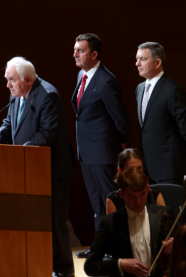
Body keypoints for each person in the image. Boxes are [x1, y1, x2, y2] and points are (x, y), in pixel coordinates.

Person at [0, 57, 75, 277]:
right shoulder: (16, 96)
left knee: (56, 224)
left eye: (11, 80)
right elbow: (9, 124)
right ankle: (41, 267)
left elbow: (47, 133)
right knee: (33, 222)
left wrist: (23, 151)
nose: (8, 85)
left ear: (27, 79)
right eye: (7, 80)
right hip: (28, 170)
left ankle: (64, 271)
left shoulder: (48, 96)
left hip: (52, 171)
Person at [72, 33, 130, 237]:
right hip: (87, 153)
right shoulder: (82, 76)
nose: (75, 54)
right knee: (96, 203)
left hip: (103, 153)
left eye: (81, 51)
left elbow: (121, 119)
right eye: (75, 50)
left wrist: (118, 142)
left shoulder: (106, 81)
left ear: (94, 54)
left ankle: (118, 248)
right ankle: (101, 247)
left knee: (110, 202)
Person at [84, 167, 174, 277]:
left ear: (148, 189)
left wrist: (176, 246)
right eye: (132, 196)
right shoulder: (110, 222)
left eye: (142, 194)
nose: (138, 202)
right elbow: (90, 266)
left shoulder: (164, 214)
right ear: (121, 194)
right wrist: (120, 264)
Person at [136, 42, 186, 185]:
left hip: (169, 168)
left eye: (142, 59)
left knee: (171, 207)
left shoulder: (172, 90)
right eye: (137, 59)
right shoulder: (139, 88)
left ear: (158, 63)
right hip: (149, 168)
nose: (137, 63)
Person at [106, 148, 165, 214]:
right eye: (132, 169)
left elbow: (165, 220)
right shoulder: (113, 199)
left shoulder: (154, 193)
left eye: (139, 168)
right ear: (120, 171)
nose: (136, 172)